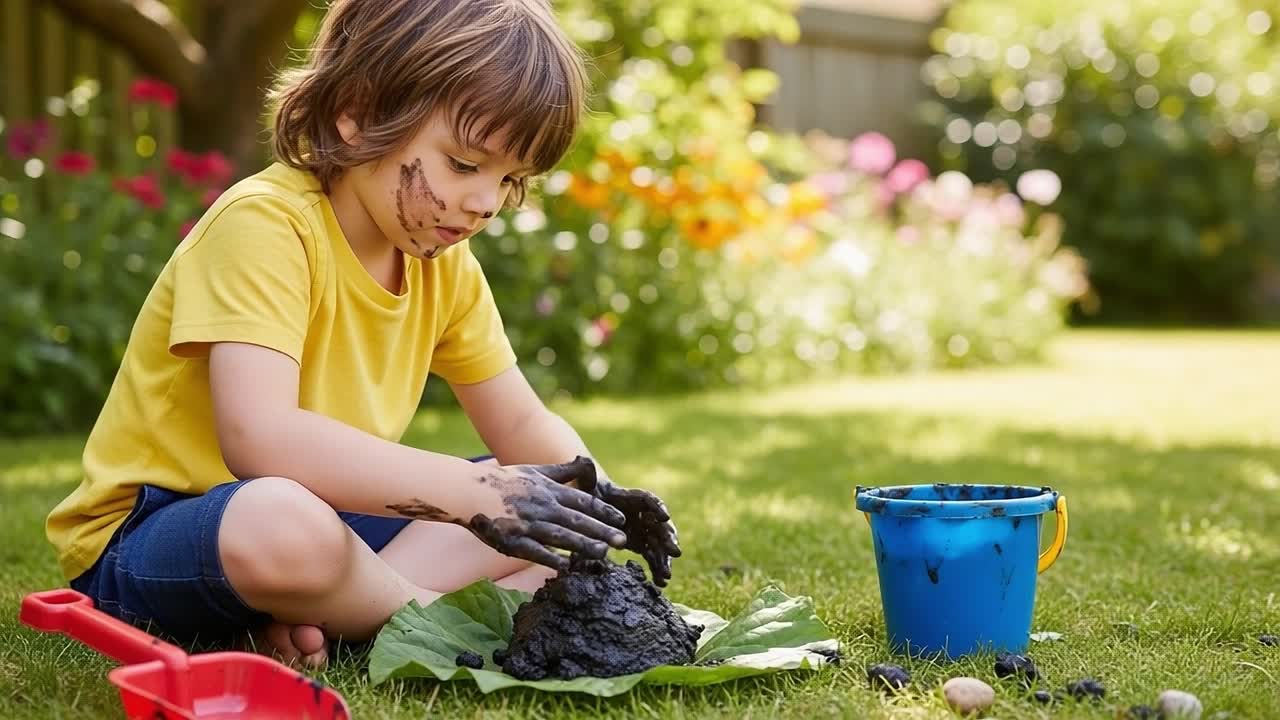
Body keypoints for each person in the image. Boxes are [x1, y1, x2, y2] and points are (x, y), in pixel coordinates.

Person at [45, 0, 680, 669]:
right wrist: (469, 496)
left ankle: (340, 611)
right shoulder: (266, 224)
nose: (486, 202)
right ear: (357, 112)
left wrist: (603, 504)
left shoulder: (444, 267)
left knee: (541, 501)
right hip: (164, 534)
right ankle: (413, 615)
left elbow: (520, 419)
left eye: (510, 180)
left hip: (329, 524)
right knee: (283, 520)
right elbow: (259, 439)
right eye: (465, 164)